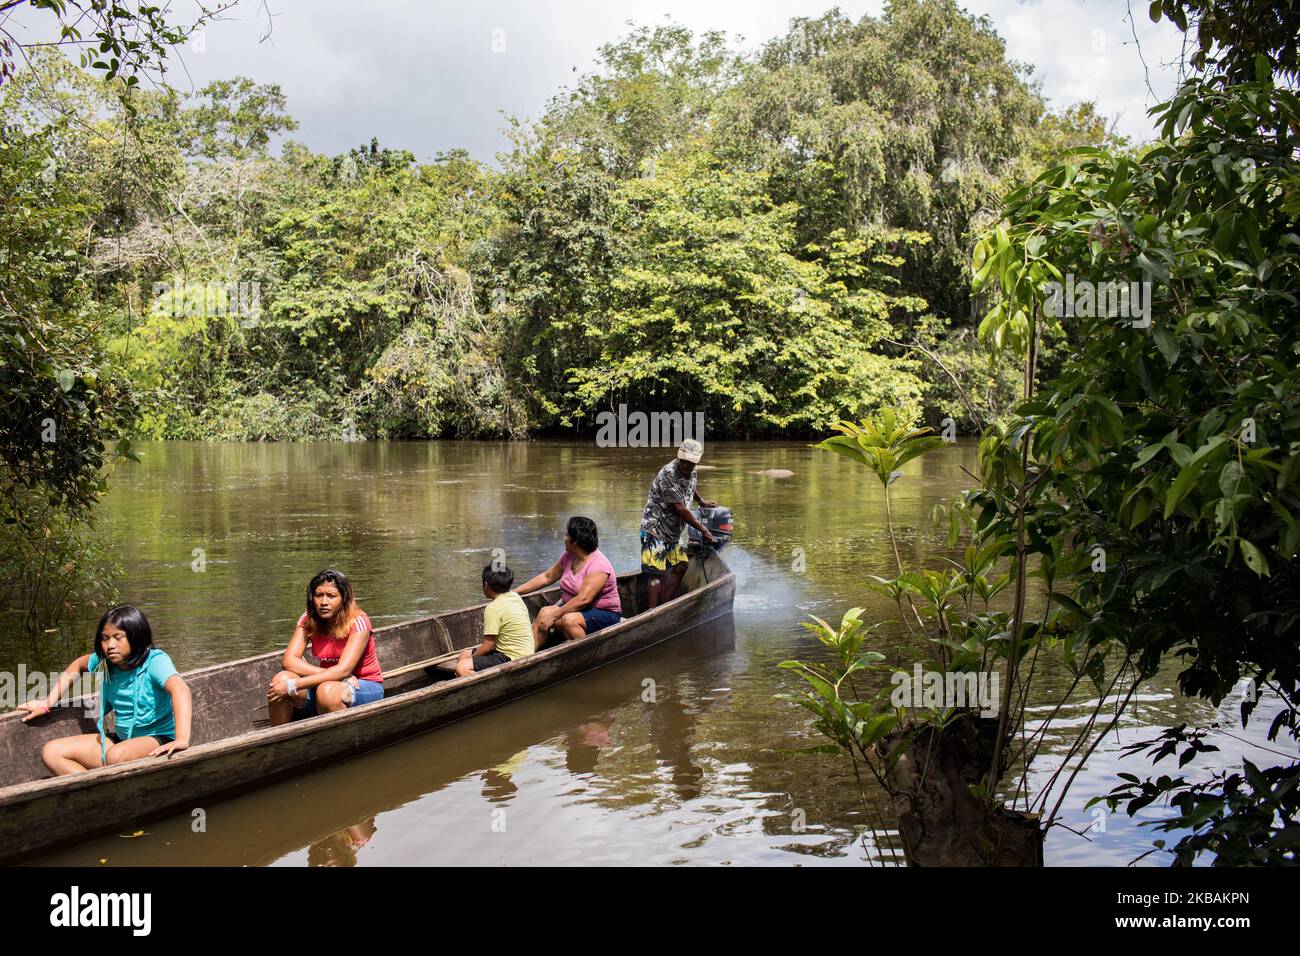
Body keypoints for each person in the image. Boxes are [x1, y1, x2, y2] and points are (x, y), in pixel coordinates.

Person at [20, 605, 192, 775]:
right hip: (120, 740)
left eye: (118, 637)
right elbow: (78, 665)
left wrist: (182, 739)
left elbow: (181, 690)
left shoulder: (155, 662)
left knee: (116, 757)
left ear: (136, 637)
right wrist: (46, 703)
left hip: (157, 739)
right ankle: (93, 795)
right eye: (105, 638)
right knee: (52, 751)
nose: (110, 645)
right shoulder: (105, 661)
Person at [268, 568, 384, 725]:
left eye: (331, 596)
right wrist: (333, 675)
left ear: (344, 598)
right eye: (318, 595)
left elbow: (344, 670)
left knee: (327, 691)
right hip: (325, 684)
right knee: (280, 680)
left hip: (364, 685)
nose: (323, 602)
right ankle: (278, 741)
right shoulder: (308, 619)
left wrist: (293, 685)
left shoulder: (358, 621)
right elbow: (289, 660)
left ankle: (335, 742)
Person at [516, 515, 622, 649]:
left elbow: (584, 599)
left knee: (569, 621)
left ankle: (587, 654)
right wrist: (514, 592)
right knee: (544, 612)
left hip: (604, 613)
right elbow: (546, 577)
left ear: (575, 541)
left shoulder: (598, 564)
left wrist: (554, 615)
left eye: (566, 534)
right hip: (575, 608)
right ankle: (527, 657)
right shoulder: (569, 556)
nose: (564, 538)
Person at [640, 438, 717, 609]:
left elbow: (690, 485)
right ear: (679, 458)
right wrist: (704, 530)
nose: (687, 466)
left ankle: (666, 606)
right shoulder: (669, 474)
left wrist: (701, 501)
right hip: (655, 529)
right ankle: (653, 614)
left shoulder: (691, 469)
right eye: (684, 461)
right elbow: (680, 509)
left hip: (673, 531)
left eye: (691, 463)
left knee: (681, 565)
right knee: (655, 573)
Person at [454, 563, 536, 676]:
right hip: (522, 652)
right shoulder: (515, 596)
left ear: (486, 585)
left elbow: (488, 646)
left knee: (462, 667)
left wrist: (472, 659)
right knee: (463, 655)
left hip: (511, 657)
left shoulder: (493, 608)